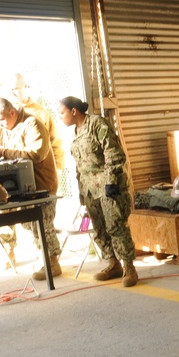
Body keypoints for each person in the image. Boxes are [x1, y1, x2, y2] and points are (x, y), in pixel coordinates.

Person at [0, 97, 62, 281]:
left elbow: (37, 154)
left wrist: (3, 152)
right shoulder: (2, 127)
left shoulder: (32, 124)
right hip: (22, 187)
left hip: (42, 185)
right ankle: (44, 258)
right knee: (30, 225)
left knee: (44, 225)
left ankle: (53, 263)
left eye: (1, 120)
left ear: (12, 113)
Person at [57, 97, 138, 287]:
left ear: (74, 111)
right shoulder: (76, 132)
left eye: (62, 113)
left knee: (116, 227)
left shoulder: (97, 124)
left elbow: (114, 153)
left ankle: (129, 268)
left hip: (108, 187)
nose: (60, 117)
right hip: (90, 190)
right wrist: (81, 193)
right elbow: (80, 166)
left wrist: (111, 182)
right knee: (99, 229)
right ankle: (112, 263)